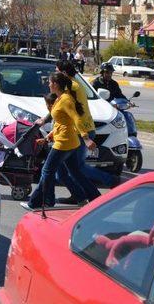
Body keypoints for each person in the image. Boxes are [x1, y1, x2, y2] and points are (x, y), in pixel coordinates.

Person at [22, 73, 100, 210]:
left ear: (56, 84)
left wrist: (86, 139)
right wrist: (47, 138)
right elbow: (60, 123)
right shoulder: (59, 98)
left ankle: (34, 203)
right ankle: (85, 199)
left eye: (50, 82)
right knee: (72, 171)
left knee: (46, 171)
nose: (48, 84)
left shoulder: (66, 100)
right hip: (68, 141)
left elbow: (77, 119)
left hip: (64, 142)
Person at [55, 61, 119, 204]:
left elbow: (74, 114)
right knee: (62, 171)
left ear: (64, 73)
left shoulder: (72, 87)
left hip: (80, 131)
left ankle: (108, 181)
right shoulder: (72, 86)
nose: (55, 75)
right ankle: (78, 195)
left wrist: (84, 137)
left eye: (57, 71)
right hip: (75, 131)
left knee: (76, 168)